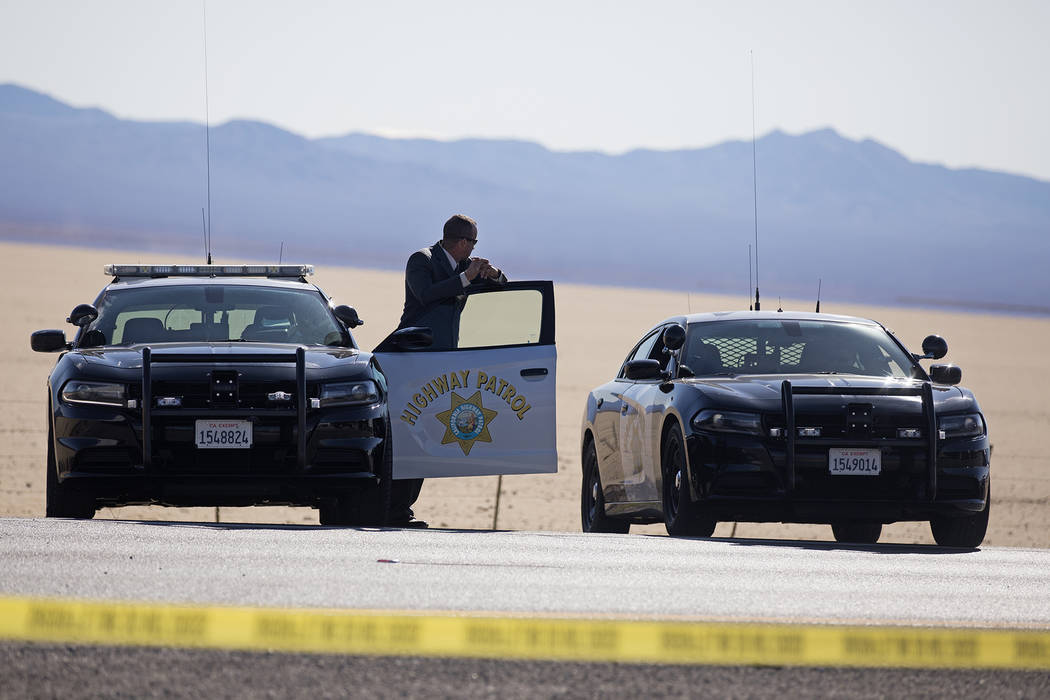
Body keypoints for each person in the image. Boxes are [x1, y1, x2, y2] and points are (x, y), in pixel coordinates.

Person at [389, 214, 508, 528]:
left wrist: (492, 273)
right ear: (461, 242)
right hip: (412, 359)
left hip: (441, 366)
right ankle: (394, 507)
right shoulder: (422, 260)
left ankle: (402, 507)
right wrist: (467, 277)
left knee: (426, 435)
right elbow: (426, 294)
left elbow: (503, 286)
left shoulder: (461, 269)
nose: (473, 250)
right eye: (473, 243)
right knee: (406, 433)